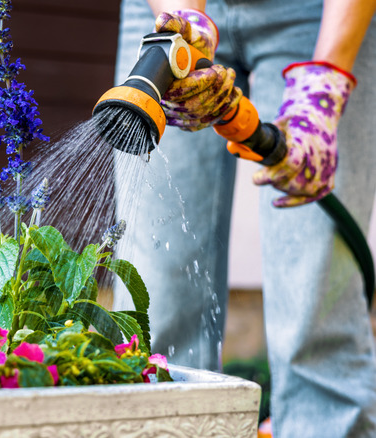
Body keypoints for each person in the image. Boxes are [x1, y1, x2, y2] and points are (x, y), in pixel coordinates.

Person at [114, 0, 376, 436]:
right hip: (167, 12)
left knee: (315, 308)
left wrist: (325, 85)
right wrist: (184, 25)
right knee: (155, 308)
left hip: (319, 15)